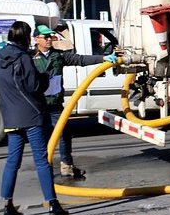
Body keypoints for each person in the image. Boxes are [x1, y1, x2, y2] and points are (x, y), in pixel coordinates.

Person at [0, 21, 68, 215]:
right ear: (25, 37)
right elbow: (35, 86)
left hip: (10, 117)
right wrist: (44, 76)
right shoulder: (24, 58)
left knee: (12, 162)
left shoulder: (0, 58)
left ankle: (7, 205)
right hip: (32, 114)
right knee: (42, 160)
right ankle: (53, 204)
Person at [33, 24, 117, 178]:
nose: (49, 39)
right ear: (36, 39)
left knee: (64, 134)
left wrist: (103, 58)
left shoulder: (58, 55)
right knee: (42, 138)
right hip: (38, 105)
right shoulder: (30, 58)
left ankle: (67, 166)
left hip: (56, 104)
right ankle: (45, 168)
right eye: (45, 37)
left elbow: (80, 59)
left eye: (50, 36)